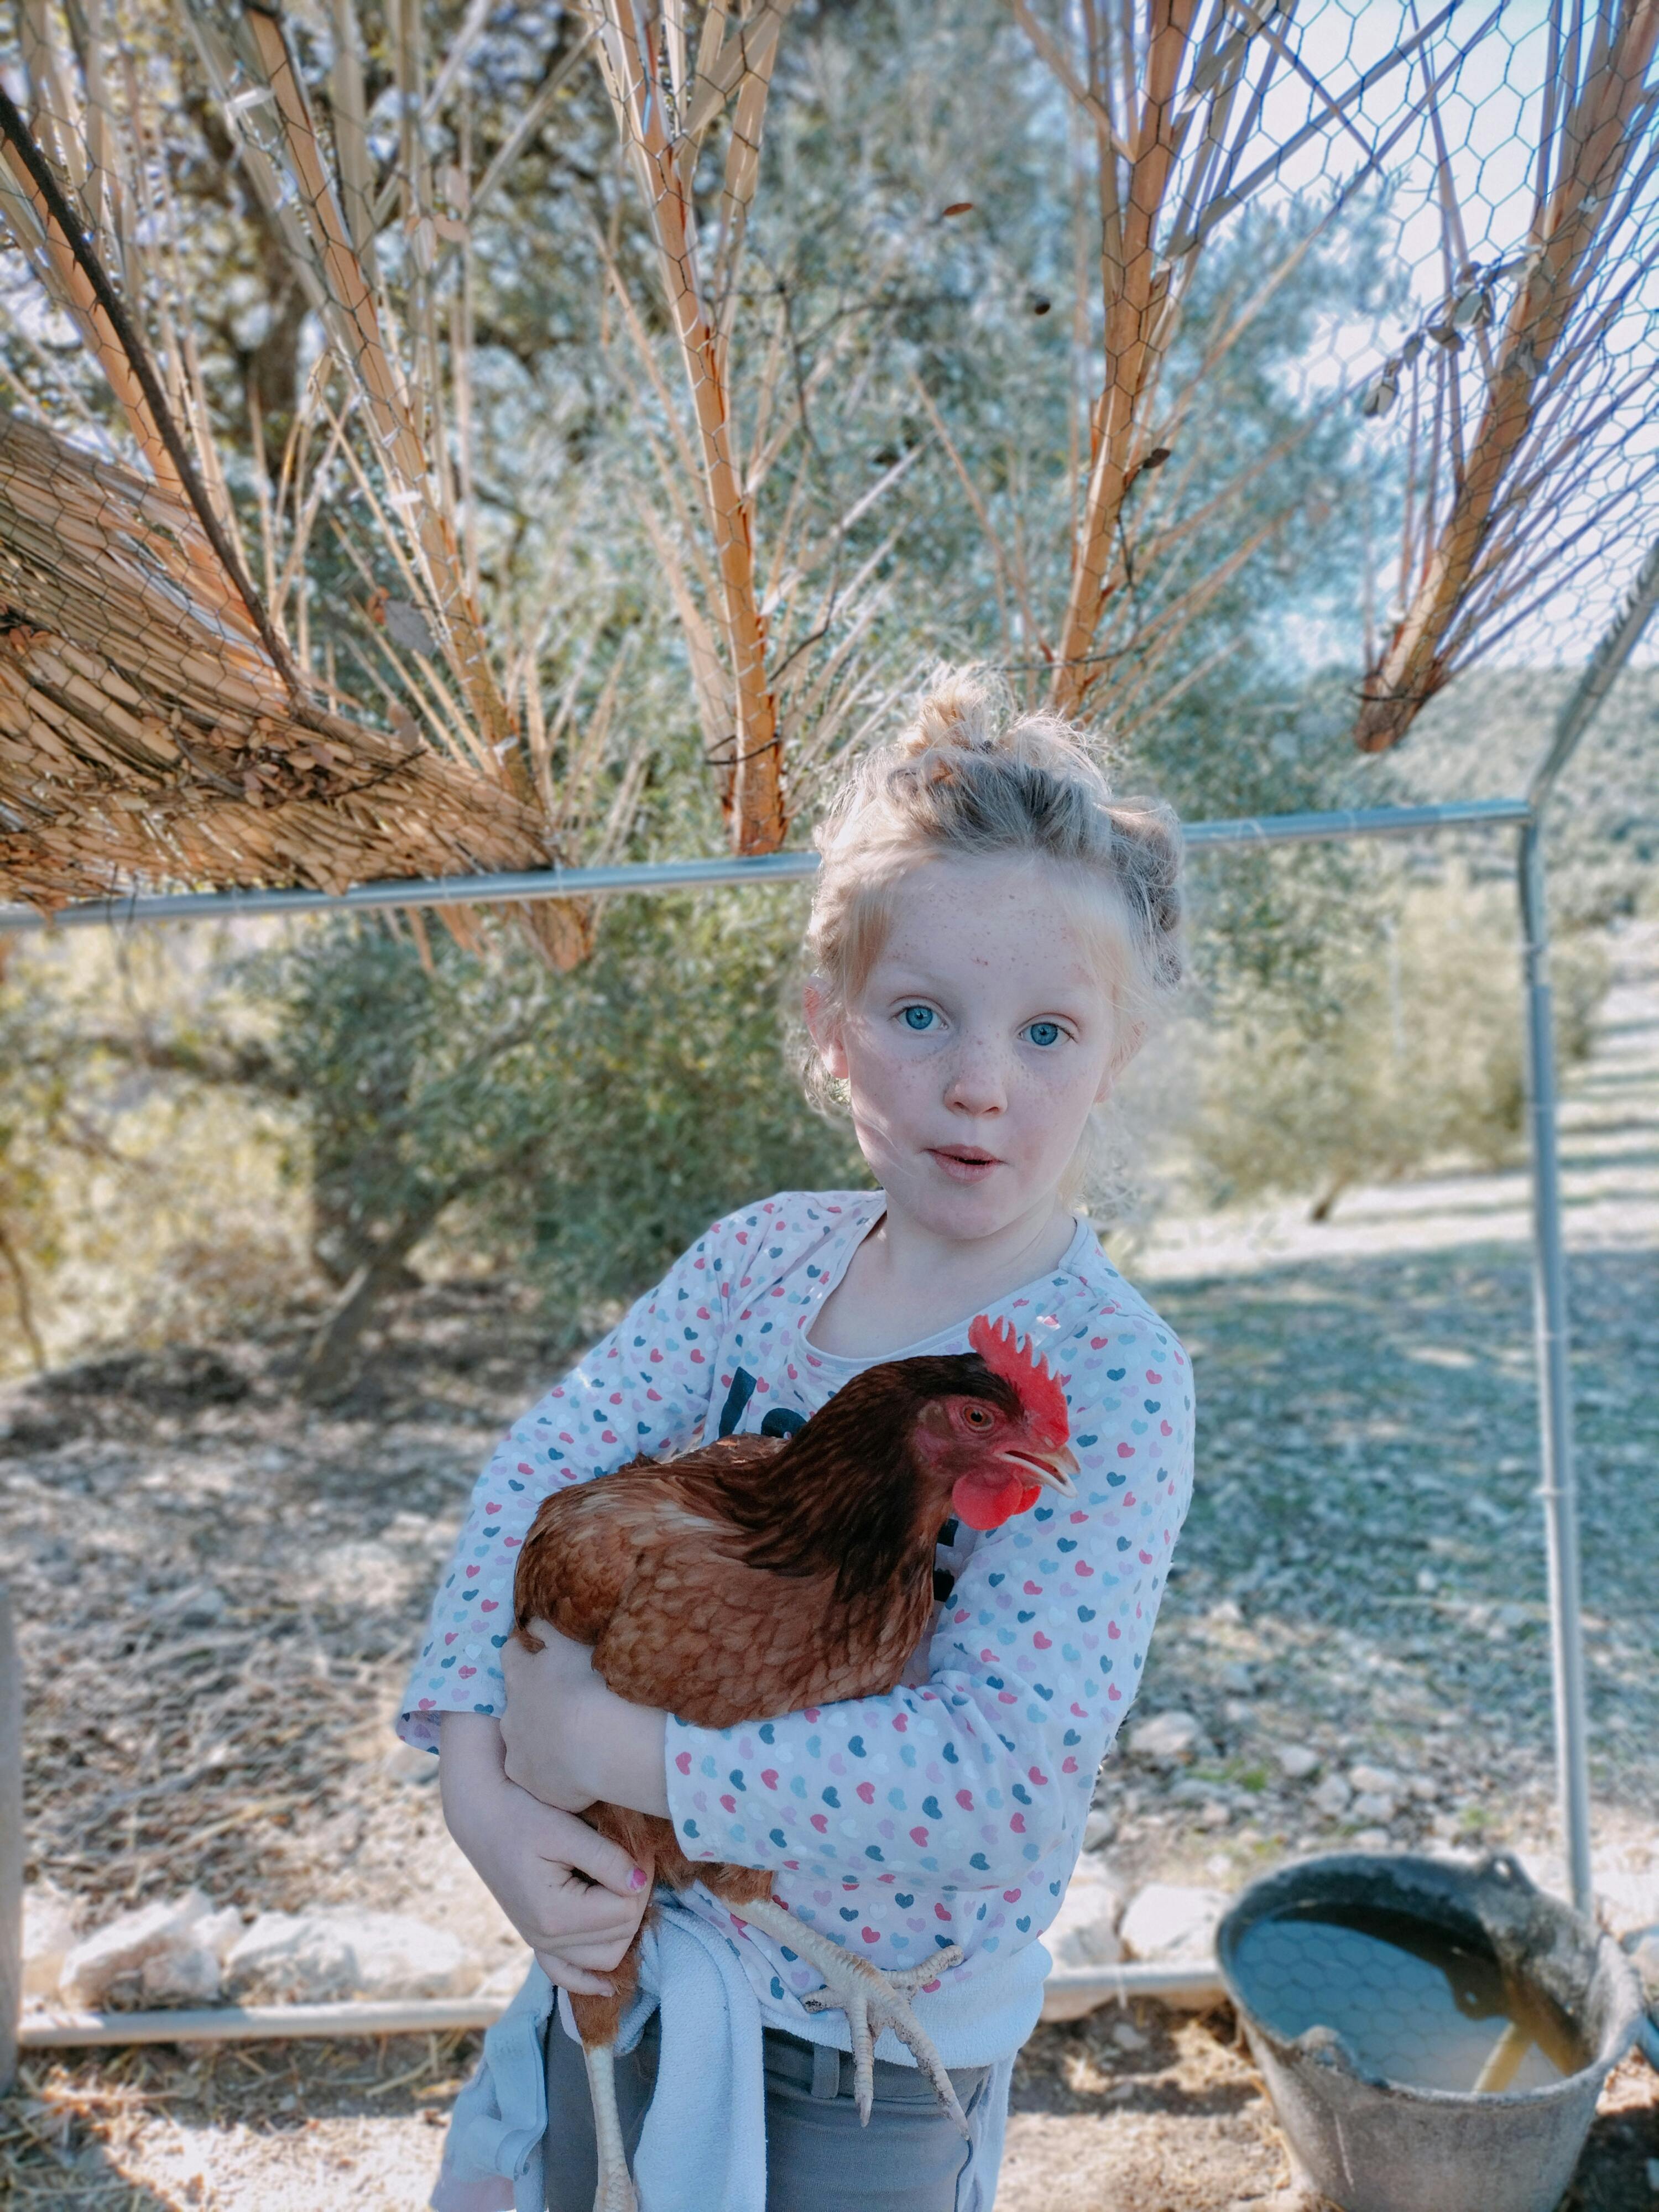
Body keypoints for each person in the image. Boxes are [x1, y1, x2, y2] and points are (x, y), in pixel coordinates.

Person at [401, 667, 1197, 2211]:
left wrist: (619, 1753)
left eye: (1047, 1029)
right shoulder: (759, 1261)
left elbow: (1001, 1780)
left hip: (870, 2044)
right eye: (920, 1015)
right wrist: (482, 1783)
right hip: (633, 1933)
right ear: (831, 1032)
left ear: (1117, 1058)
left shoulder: (1118, 1379)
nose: (978, 1081)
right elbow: (534, 1481)